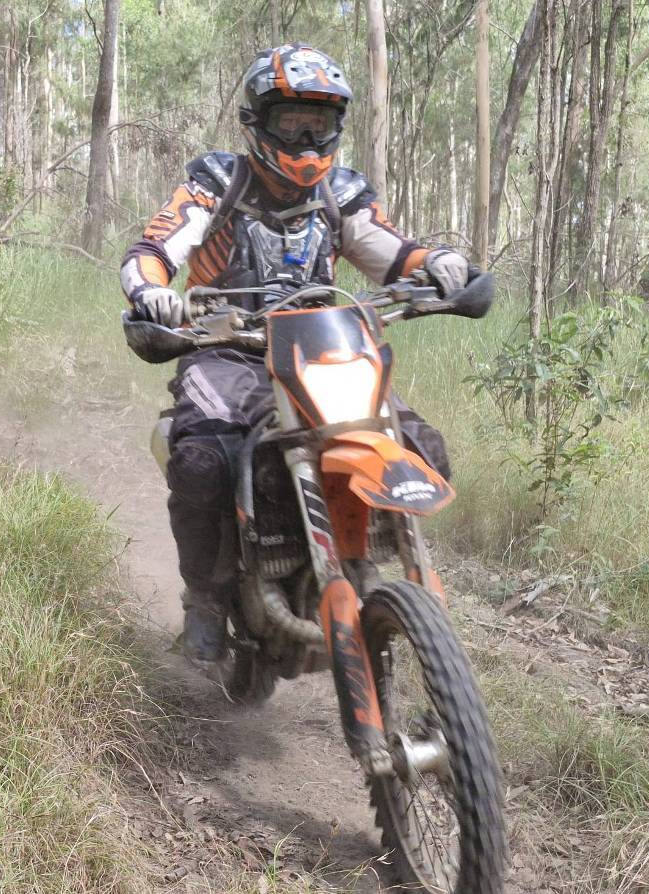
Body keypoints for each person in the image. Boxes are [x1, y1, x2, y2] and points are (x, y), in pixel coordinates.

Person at [120, 43, 472, 662]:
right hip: (227, 349)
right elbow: (155, 249)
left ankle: (377, 569)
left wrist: (438, 263)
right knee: (202, 461)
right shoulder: (217, 182)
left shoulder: (343, 193)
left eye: (320, 124)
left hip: (323, 351)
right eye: (292, 124)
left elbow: (391, 250)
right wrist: (152, 292)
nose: (307, 140)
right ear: (257, 122)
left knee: (424, 448)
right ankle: (205, 603)